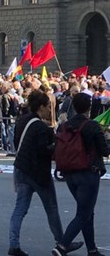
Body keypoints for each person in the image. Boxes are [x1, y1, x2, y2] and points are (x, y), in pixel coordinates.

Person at [8, 91, 81, 256]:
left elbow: (17, 142)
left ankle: (14, 244)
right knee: (51, 208)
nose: (50, 110)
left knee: (20, 208)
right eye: (48, 107)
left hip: (21, 169)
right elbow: (43, 151)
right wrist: (55, 144)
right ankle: (61, 242)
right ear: (41, 107)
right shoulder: (41, 127)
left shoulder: (22, 121)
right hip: (38, 173)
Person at [52, 93, 110, 256]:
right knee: (84, 213)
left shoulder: (65, 125)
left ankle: (92, 249)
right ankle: (62, 245)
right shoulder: (92, 125)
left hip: (70, 173)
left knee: (86, 211)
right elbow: (105, 151)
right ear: (89, 108)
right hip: (88, 172)